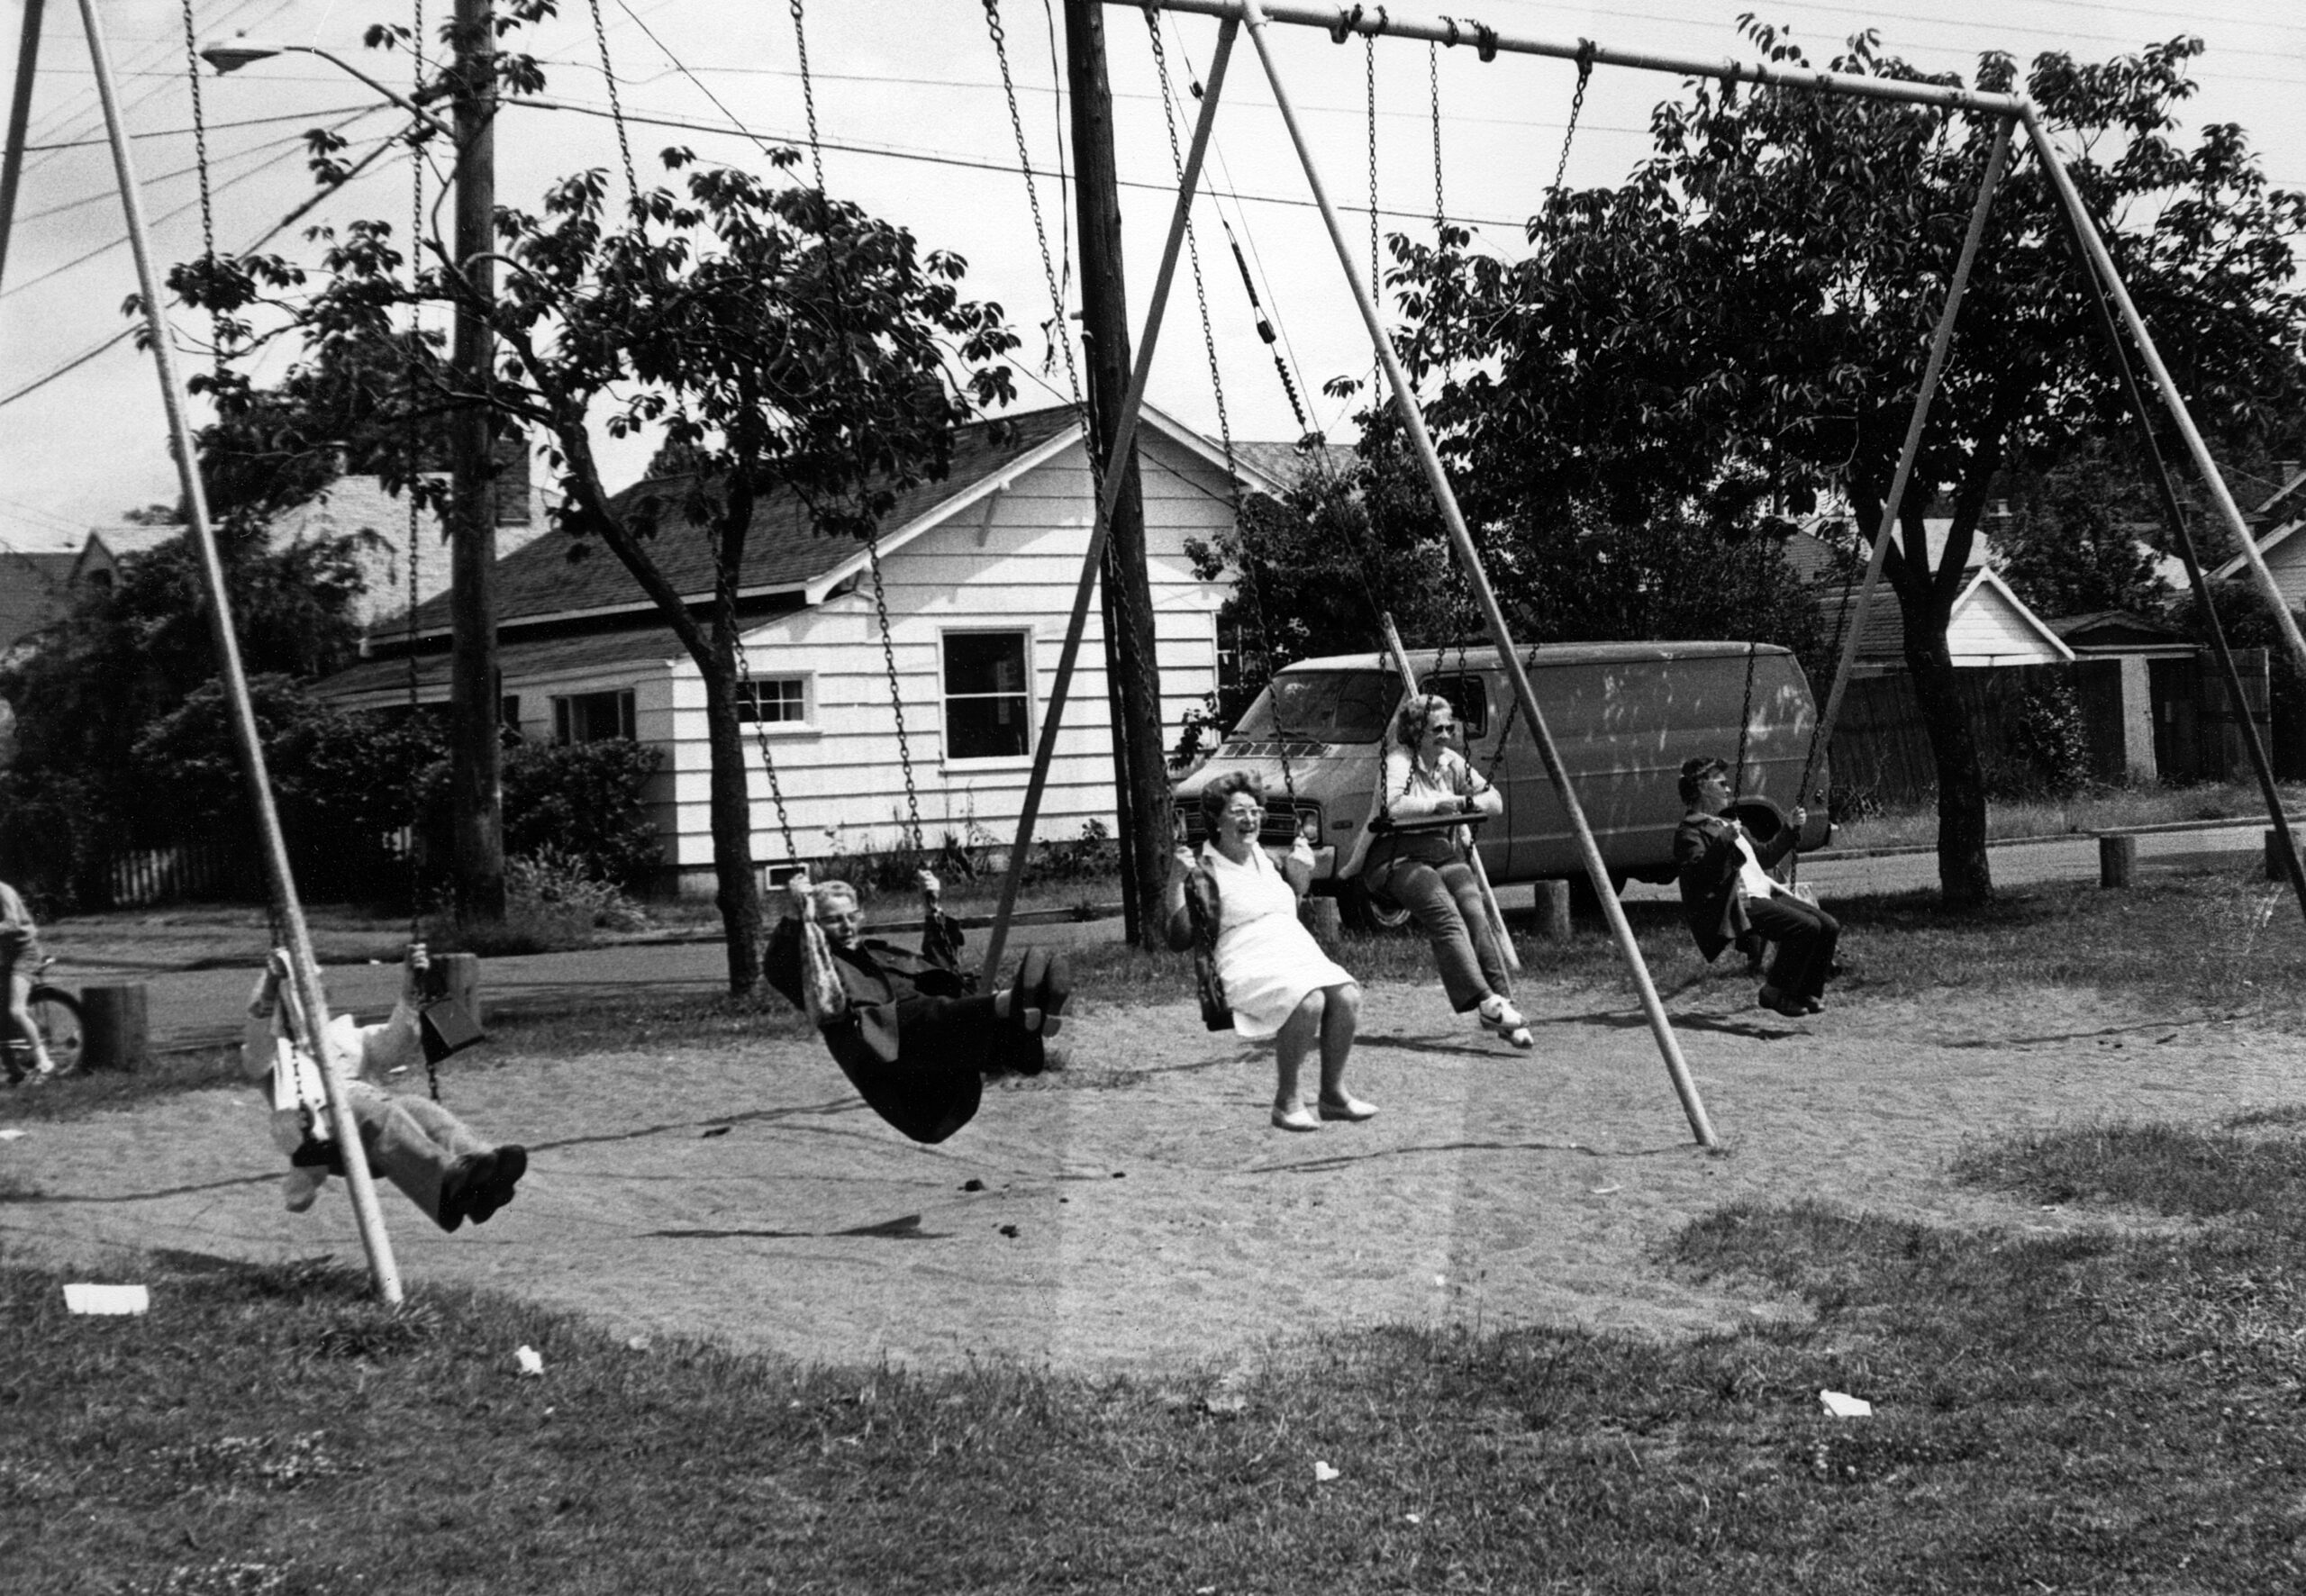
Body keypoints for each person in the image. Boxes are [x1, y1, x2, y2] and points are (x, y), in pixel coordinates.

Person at [761, 868, 1068, 1146]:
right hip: (893, 1066)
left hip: (946, 1078)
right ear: (815, 923)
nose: (845, 925)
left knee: (945, 1000)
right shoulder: (819, 972)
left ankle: (1023, 1031)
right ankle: (1011, 1006)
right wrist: (792, 917)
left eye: (850, 916)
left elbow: (939, 969)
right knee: (917, 1017)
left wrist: (932, 906)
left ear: (860, 916)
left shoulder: (883, 954)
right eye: (832, 920)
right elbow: (780, 968)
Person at [243, 942, 527, 1231]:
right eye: (297, 997)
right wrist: (268, 987)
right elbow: (256, 1049)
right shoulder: (275, 1054)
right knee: (372, 1110)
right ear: (281, 1008)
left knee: (417, 1106)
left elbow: (393, 1043)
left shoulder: (343, 1037)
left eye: (316, 993)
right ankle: (449, 1182)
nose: (312, 1003)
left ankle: (484, 1176)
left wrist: (409, 985)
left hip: (381, 1139)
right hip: (326, 1139)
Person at [1165, 770, 1373, 1133]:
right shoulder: (1203, 869)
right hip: (1244, 958)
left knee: (1348, 995)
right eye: (1238, 812)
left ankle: (1332, 1095)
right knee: (1308, 1002)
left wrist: (1300, 876)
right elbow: (1179, 938)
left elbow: (1291, 902)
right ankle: (1287, 1101)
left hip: (1293, 950)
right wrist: (1174, 884)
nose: (1250, 820)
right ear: (1216, 819)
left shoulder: (1271, 860)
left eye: (1254, 811)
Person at [1342, 694, 1532, 1050]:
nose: (1445, 735)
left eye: (1449, 727)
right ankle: (1485, 1001)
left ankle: (1502, 1001)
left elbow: (1495, 802)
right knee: (1444, 913)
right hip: (1394, 855)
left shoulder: (1450, 762)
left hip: (1439, 850)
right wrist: (1436, 804)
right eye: (1437, 730)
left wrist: (1463, 801)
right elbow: (1392, 806)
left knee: (1475, 910)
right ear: (1416, 732)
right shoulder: (1399, 761)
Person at [1672, 755, 1839, 1017]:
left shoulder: (1728, 824)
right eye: (1722, 783)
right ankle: (1773, 991)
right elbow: (1700, 874)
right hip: (1736, 903)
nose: (1728, 789)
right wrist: (1722, 842)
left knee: (1828, 925)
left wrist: (1790, 828)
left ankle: (1805, 991)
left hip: (1763, 892)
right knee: (1805, 927)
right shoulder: (1689, 833)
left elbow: (1766, 856)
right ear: (1703, 787)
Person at [0, 878, 57, 1085]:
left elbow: (12, 922)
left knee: (16, 1010)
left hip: (25, 953)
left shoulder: (3, 891)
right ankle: (15, 1071)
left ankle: (45, 1064)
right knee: (2, 1011)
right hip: (6, 955)